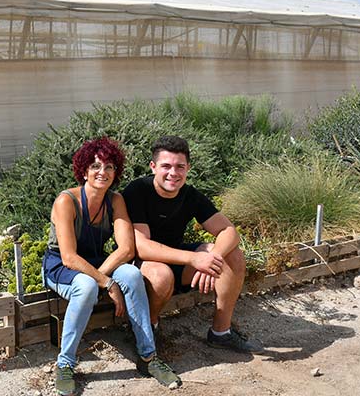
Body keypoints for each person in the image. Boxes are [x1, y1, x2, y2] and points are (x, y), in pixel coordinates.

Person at [43, 137, 181, 395]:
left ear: (115, 172)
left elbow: (127, 249)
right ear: (84, 171)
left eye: (109, 167)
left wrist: (107, 278)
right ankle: (65, 364)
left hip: (96, 261)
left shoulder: (115, 201)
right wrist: (106, 283)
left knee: (130, 273)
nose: (102, 173)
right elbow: (69, 258)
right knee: (85, 286)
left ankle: (148, 357)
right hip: (60, 265)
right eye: (95, 166)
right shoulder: (67, 201)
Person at [122, 135, 264, 354]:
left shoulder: (190, 195)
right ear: (153, 167)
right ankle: (147, 329)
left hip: (178, 261)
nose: (173, 173)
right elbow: (142, 247)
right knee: (162, 275)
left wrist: (212, 258)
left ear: (188, 167)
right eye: (166, 166)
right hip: (140, 264)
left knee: (231, 254)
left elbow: (229, 231)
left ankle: (220, 333)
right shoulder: (137, 191)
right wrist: (195, 259)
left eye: (180, 166)